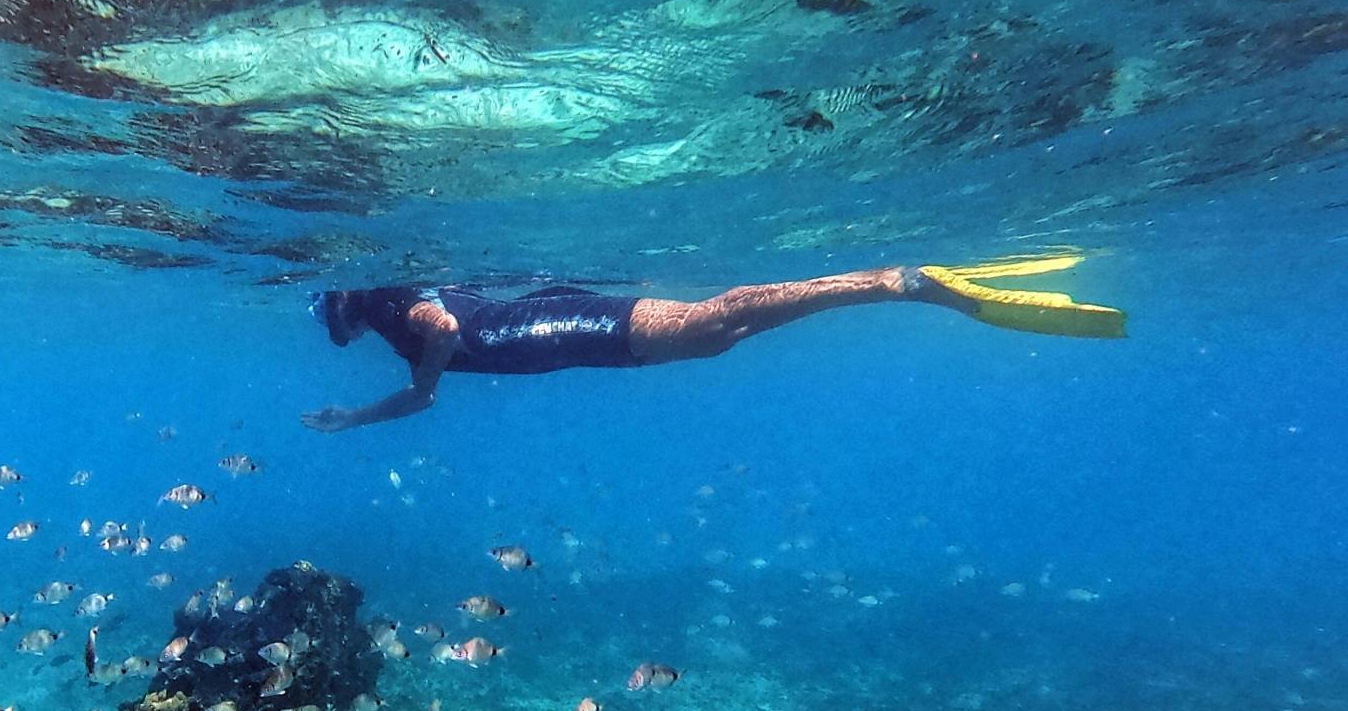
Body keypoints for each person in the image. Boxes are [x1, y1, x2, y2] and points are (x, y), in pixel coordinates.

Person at [300, 254, 1125, 432]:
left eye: (331, 319)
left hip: (562, 326)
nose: (339, 330)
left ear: (344, 304)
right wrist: (352, 417)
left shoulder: (386, 299)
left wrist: (432, 360)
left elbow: (442, 332)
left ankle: (898, 281)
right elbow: (424, 391)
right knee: (716, 332)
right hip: (557, 321)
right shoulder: (386, 309)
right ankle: (896, 285)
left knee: (715, 323)